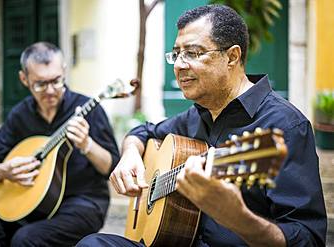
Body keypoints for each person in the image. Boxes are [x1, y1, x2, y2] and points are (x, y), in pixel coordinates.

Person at [76, 4, 327, 247]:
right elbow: (142, 132)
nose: (178, 65)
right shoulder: (196, 115)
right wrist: (130, 154)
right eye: (176, 54)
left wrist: (240, 219)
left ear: (232, 56)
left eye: (193, 53)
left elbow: (308, 238)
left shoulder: (286, 127)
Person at [0, 42, 120, 246]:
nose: (50, 91)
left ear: (64, 71)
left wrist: (87, 145)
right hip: (31, 205)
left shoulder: (88, 109)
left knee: (26, 240)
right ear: (24, 79)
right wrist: (3, 171)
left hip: (83, 204)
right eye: (40, 84)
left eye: (56, 81)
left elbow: (114, 166)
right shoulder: (20, 115)